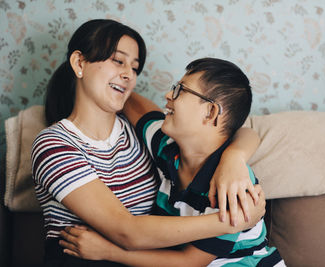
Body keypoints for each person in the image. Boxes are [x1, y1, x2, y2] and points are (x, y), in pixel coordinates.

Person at [31, 19, 266, 266]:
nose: (129, 75)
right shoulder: (54, 144)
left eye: (135, 68)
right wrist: (233, 220)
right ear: (79, 62)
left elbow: (232, 129)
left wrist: (234, 158)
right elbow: (126, 230)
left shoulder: (146, 134)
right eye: (118, 60)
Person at [59, 58, 285, 266]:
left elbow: (189, 262)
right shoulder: (165, 145)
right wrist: (103, 78)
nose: (168, 95)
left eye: (180, 90)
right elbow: (134, 105)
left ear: (210, 111)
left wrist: (109, 252)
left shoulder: (234, 188)